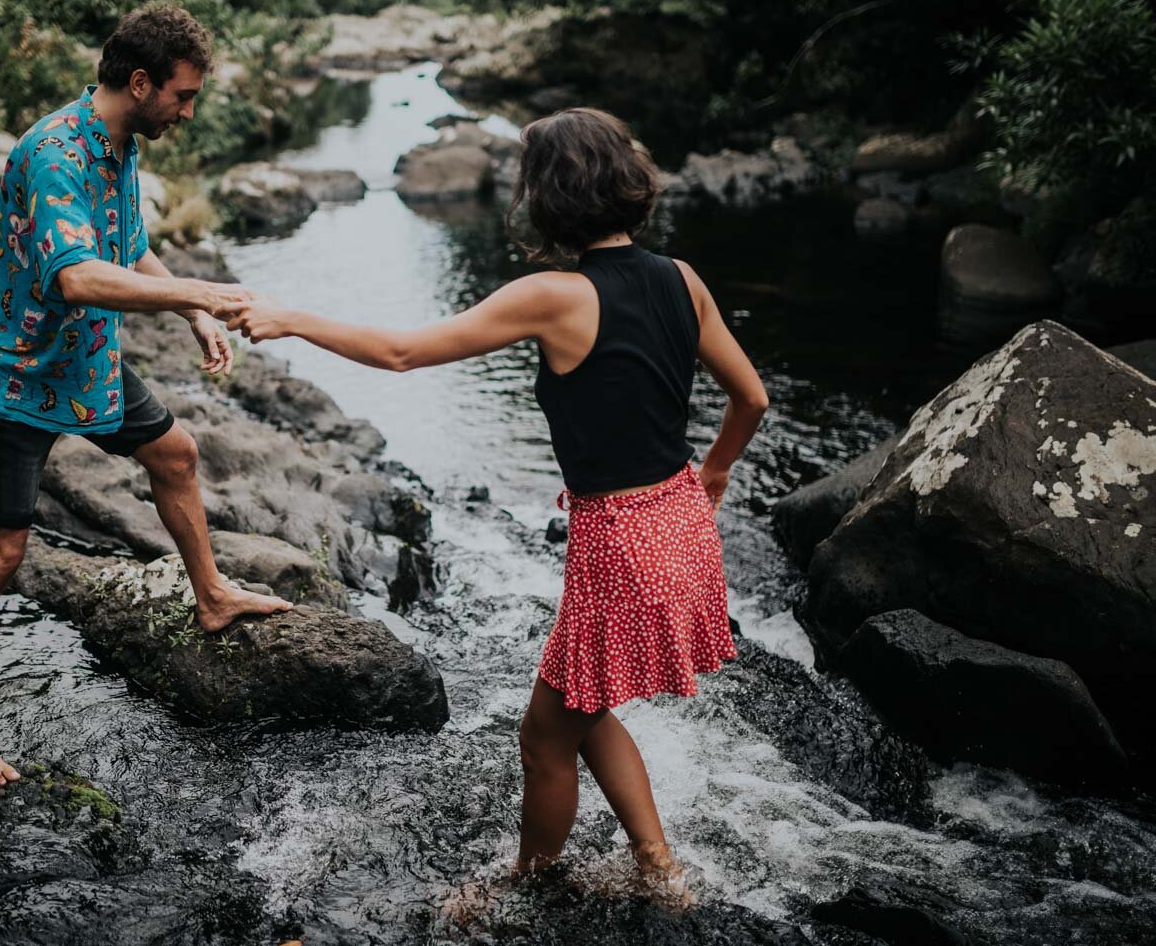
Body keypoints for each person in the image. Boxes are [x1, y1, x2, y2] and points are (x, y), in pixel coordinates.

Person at [223, 107, 768, 904]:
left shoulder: (554, 295)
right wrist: (714, 474)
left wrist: (292, 318)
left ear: (548, 197)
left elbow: (404, 353)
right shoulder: (683, 279)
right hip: (679, 522)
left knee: (547, 733)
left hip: (620, 537)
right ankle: (659, 866)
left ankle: (525, 887)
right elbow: (750, 397)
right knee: (582, 709)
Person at [0, 5, 292, 789]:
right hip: (17, 374)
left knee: (176, 452)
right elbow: (77, 276)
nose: (189, 111)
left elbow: (129, 250)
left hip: (85, 360)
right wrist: (206, 289)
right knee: (0, 550)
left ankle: (212, 595)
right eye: (184, 95)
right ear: (141, 82)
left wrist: (196, 314)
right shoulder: (56, 153)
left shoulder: (120, 142)